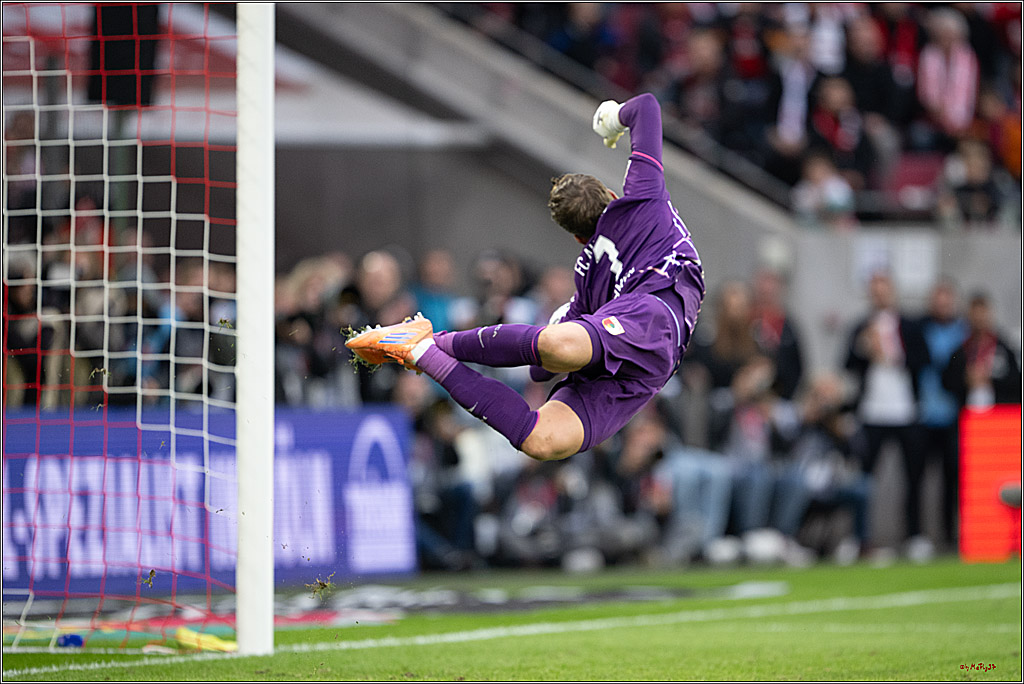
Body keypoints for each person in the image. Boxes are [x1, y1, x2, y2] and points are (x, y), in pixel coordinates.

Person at [347, 93, 705, 462]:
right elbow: (646, 105)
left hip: (641, 353)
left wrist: (557, 329)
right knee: (545, 411)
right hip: (652, 320)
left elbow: (539, 368)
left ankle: (426, 347)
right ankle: (428, 345)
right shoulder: (641, 199)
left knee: (542, 433)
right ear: (611, 195)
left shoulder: (586, 277)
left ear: (578, 238)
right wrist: (612, 120)